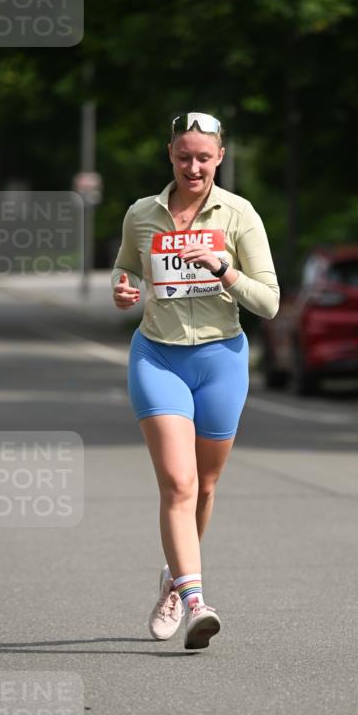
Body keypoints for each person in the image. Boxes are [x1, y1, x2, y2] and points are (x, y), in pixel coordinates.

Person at [111, 112, 279, 650]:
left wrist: (222, 268)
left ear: (220, 158)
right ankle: (195, 602)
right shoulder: (142, 214)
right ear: (170, 155)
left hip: (221, 359)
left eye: (203, 157)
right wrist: (124, 291)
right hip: (157, 357)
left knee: (205, 486)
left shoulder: (239, 214)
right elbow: (127, 271)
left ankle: (171, 579)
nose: (193, 167)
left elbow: (270, 303)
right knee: (178, 484)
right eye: (184, 156)